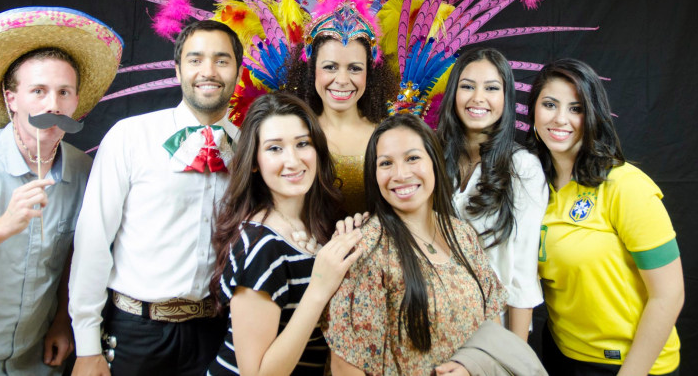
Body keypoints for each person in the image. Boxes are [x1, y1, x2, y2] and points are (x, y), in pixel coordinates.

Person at [0, 7, 123, 375]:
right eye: (38, 91)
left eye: (63, 92)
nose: (52, 106)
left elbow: (77, 253)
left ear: (75, 103)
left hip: (35, 363)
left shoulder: (85, 172)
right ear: (12, 99)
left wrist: (60, 320)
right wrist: (3, 226)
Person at [69, 19, 243, 376]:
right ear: (178, 70)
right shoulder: (130, 136)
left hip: (216, 332)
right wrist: (86, 345)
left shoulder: (251, 146)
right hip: (136, 330)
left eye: (221, 60)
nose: (208, 71)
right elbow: (93, 238)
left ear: (238, 72)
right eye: (195, 59)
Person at [527, 59, 684, 375]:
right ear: (533, 112)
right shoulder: (533, 188)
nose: (560, 118)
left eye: (576, 108)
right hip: (561, 354)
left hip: (630, 364)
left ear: (593, 116)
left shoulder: (625, 186)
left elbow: (669, 293)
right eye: (549, 104)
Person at [324, 114, 507, 375]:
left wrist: (472, 367)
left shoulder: (462, 235)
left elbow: (493, 326)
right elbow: (345, 366)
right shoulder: (366, 249)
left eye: (412, 158)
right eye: (386, 163)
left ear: (434, 161)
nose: (401, 174)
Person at [206, 92, 363, 376]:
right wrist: (319, 288)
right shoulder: (261, 246)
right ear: (254, 162)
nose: (292, 161)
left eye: (302, 143)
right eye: (274, 148)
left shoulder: (319, 226)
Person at [436, 47, 547, 339]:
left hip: (491, 331)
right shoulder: (432, 158)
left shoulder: (521, 168)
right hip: (435, 323)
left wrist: (514, 357)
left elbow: (522, 273)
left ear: (506, 98)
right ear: (453, 94)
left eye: (491, 88)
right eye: (467, 86)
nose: (478, 98)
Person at [286, 34, 397, 215]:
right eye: (330, 67)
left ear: (369, 74)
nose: (343, 80)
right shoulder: (293, 133)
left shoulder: (389, 134)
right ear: (311, 70)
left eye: (354, 68)